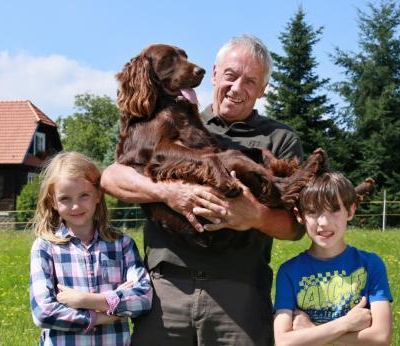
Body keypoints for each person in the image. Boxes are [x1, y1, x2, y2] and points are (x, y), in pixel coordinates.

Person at [101, 34, 304, 345]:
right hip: (165, 291)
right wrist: (168, 192)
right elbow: (112, 176)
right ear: (213, 74)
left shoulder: (279, 139)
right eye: (231, 76)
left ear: (263, 89)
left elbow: (295, 228)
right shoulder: (169, 112)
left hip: (239, 293)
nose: (237, 88)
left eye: (250, 81)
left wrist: (254, 216)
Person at [29, 151, 152, 345]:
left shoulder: (122, 244)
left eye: (84, 195)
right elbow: (43, 312)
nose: (75, 206)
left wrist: (84, 300)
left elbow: (143, 298)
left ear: (97, 195)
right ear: (53, 201)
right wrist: (103, 315)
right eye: (65, 199)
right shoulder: (45, 247)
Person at [273, 172, 393, 345]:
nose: (324, 222)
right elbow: (283, 341)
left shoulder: (370, 264)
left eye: (335, 210)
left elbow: (381, 338)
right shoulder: (289, 271)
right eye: (313, 212)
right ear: (300, 215)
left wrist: (310, 332)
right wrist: (346, 323)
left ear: (351, 211)